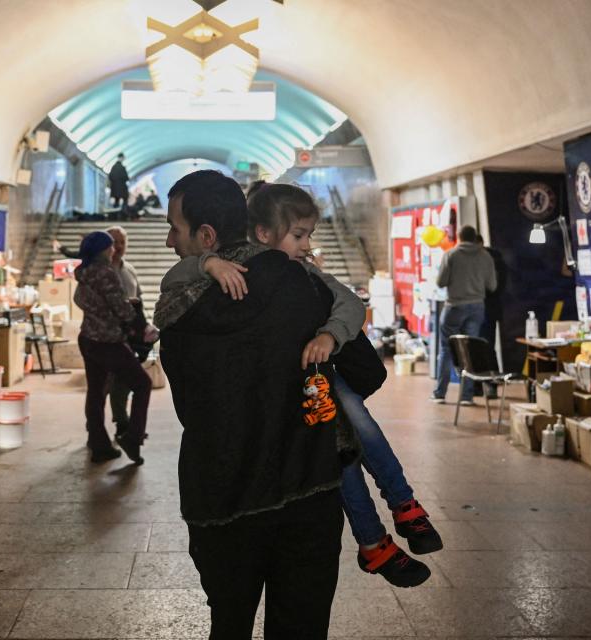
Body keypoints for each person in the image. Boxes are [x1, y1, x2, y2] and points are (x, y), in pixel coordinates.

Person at [158, 181, 443, 591]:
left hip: (315, 383)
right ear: (262, 233)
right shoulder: (236, 273)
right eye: (299, 235)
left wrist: (329, 336)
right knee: (344, 454)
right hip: (301, 414)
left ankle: (400, 506)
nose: (307, 245)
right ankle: (375, 540)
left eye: (307, 235)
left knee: (357, 431)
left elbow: (349, 303)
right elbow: (175, 277)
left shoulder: (305, 274)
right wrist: (207, 264)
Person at [155, 171, 348, 639]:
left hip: (221, 497)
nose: (166, 240)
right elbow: (369, 371)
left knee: (230, 623)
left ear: (205, 236)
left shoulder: (179, 309)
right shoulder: (305, 282)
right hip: (309, 487)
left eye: (174, 229)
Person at [72, 231, 151, 464]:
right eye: (110, 247)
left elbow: (87, 301)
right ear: (102, 250)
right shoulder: (105, 273)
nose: (113, 250)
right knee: (142, 384)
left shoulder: (84, 272)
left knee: (96, 393)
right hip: (108, 341)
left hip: (88, 338)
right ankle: (132, 437)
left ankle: (99, 444)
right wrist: (139, 323)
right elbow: (121, 308)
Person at [430, 225, 496, 405]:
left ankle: (440, 393)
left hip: (454, 307)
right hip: (476, 308)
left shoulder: (451, 255)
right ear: (475, 237)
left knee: (445, 349)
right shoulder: (485, 256)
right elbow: (492, 285)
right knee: (469, 350)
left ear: (459, 237)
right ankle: (467, 396)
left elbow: (441, 282)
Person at [475, 233, 506, 399]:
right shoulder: (493, 259)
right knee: (484, 347)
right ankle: (481, 385)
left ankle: (488, 384)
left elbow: (494, 287)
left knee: (484, 347)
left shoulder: (488, 260)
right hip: (488, 309)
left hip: (485, 308)